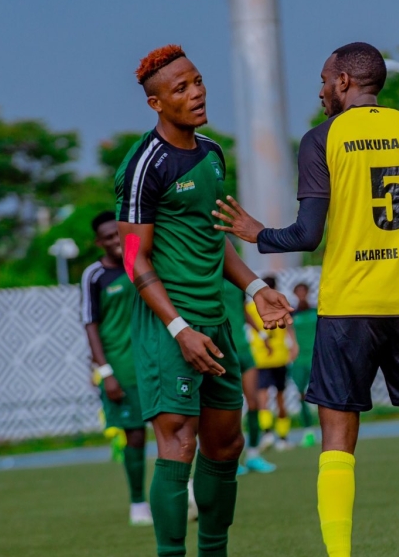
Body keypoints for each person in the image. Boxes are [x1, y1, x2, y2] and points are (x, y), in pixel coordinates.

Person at [213, 42, 399, 557]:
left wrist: (257, 233)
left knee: (338, 442)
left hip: (347, 312)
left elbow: (307, 234)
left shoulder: (323, 138)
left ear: (342, 82)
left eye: (322, 79)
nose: (319, 90)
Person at [116, 44, 294, 557]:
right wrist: (178, 329)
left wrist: (258, 290)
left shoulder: (213, 154)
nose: (196, 93)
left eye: (197, 81)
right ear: (156, 104)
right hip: (168, 328)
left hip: (215, 324)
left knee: (227, 446)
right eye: (181, 88)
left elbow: (214, 238)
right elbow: (133, 258)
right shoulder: (143, 165)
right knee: (179, 444)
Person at [82, 211, 153, 527]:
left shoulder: (144, 262)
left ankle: (184, 490)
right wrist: (105, 371)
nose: (115, 241)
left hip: (155, 360)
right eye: (108, 237)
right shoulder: (94, 276)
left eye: (119, 234)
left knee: (179, 426)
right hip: (121, 368)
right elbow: (90, 324)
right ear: (99, 242)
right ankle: (138, 503)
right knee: (135, 436)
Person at [221, 279, 275, 475]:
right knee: (229, 408)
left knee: (253, 403)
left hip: (244, 350)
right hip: (223, 351)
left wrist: (262, 336)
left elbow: (243, 309)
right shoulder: (207, 276)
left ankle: (253, 455)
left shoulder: (235, 281)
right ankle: (228, 458)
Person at [245, 275, 297, 451]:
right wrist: (293, 346)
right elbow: (289, 327)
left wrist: (293, 346)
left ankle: (270, 434)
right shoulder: (277, 304)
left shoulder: (252, 308)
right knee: (277, 397)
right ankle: (280, 437)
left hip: (265, 358)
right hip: (273, 357)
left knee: (265, 397)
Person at [291, 282, 320, 447]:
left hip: (315, 357)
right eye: (298, 292)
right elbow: (290, 334)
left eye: (304, 291)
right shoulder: (293, 314)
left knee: (323, 395)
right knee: (301, 394)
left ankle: (326, 428)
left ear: (308, 292)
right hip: (299, 359)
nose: (301, 295)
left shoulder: (316, 311)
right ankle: (308, 430)